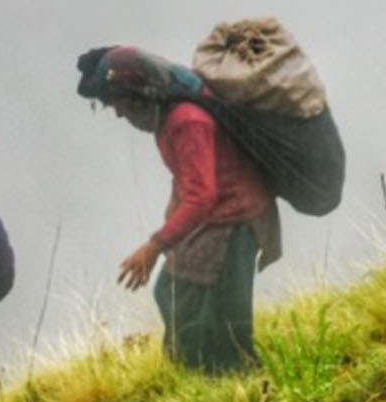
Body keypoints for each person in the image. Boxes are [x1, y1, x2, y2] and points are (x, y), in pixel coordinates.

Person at [92, 47, 281, 373]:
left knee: (221, 319)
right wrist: (171, 231)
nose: (119, 113)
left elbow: (201, 196)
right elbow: (186, 177)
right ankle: (206, 381)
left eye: (118, 103)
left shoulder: (186, 121)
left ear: (138, 93)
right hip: (219, 217)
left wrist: (155, 246)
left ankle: (236, 386)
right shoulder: (168, 116)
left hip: (235, 219)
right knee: (177, 296)